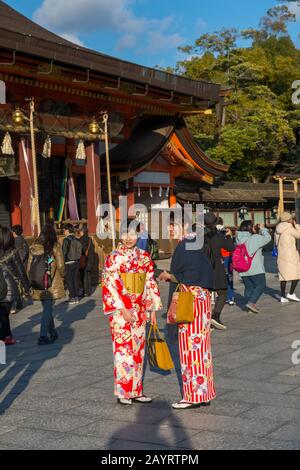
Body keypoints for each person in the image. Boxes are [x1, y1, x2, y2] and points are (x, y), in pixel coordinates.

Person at [102, 220, 162, 405]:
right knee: (123, 351)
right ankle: (123, 392)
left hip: (140, 308)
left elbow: (150, 282)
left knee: (138, 350)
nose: (129, 239)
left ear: (139, 235)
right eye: (125, 234)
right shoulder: (113, 257)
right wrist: (121, 308)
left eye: (132, 234)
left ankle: (136, 390)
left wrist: (152, 308)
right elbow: (109, 285)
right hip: (121, 310)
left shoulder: (144, 257)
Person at [159, 215, 216, 409]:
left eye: (174, 226)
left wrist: (170, 276)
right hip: (201, 298)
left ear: (184, 225)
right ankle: (204, 393)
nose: (171, 230)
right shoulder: (194, 242)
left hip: (190, 298)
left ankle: (192, 395)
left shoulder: (187, 245)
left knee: (190, 348)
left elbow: (190, 274)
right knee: (202, 349)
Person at [27, 223, 65, 345]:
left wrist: (32, 281)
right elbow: (61, 266)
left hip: (37, 282)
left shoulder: (34, 247)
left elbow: (28, 268)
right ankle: (43, 336)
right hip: (51, 283)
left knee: (47, 308)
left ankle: (53, 333)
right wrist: (64, 277)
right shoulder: (55, 246)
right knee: (47, 310)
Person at [204, 213, 235, 330]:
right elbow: (231, 248)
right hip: (216, 267)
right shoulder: (219, 236)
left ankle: (203, 318)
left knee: (204, 293)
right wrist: (228, 236)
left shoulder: (200, 235)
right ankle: (215, 316)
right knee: (222, 292)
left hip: (203, 267)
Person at [0, 227, 30, 345]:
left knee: (2, 316)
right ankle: (4, 338)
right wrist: (27, 287)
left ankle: (7, 336)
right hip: (9, 289)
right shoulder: (12, 252)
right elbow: (21, 271)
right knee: (3, 315)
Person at [236, 220, 271, 313]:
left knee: (249, 287)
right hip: (255, 268)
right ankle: (251, 303)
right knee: (261, 285)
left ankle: (248, 306)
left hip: (242, 269)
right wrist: (263, 229)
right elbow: (268, 238)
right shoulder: (255, 238)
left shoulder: (238, 238)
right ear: (250, 228)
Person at [275, 212, 300, 303]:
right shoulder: (289, 228)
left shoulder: (278, 229)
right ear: (288, 219)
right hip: (291, 255)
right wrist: (296, 225)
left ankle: (282, 297)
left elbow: (276, 242)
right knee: (297, 274)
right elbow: (299, 235)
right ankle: (291, 293)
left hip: (282, 255)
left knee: (283, 277)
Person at [217, 218, 235, 305]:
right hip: (227, 256)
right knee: (228, 277)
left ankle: (219, 297)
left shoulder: (212, 232)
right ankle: (230, 297)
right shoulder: (226, 231)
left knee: (218, 278)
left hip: (217, 257)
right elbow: (231, 245)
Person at [62, 223, 82, 305]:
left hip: (68, 262)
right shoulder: (76, 239)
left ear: (67, 230)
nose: (63, 232)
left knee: (69, 281)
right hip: (76, 262)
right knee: (75, 280)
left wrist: (62, 262)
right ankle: (76, 297)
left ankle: (72, 297)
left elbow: (64, 252)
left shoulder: (66, 240)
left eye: (64, 230)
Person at [79, 224, 95, 297]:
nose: (79, 232)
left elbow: (80, 251)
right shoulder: (90, 239)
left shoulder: (80, 240)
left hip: (83, 260)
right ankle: (89, 291)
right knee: (88, 275)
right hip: (90, 259)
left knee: (84, 276)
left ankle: (85, 291)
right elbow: (91, 250)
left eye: (80, 231)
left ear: (83, 231)